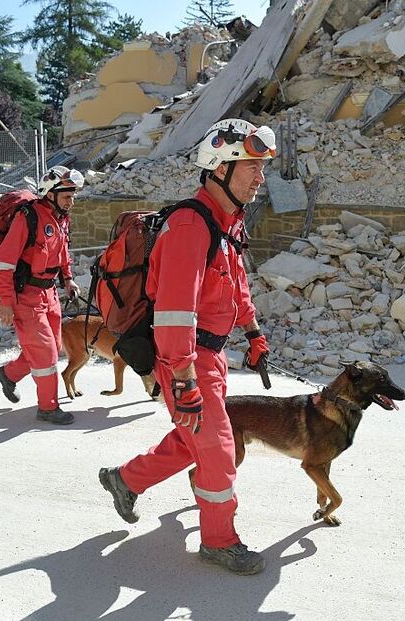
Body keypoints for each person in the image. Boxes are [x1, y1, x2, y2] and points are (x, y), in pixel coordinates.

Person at [99, 118, 275, 575]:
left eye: (261, 169)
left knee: (191, 438)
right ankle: (219, 540)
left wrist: (253, 333)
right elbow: (174, 314)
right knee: (216, 447)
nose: (260, 178)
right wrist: (183, 379)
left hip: (210, 356)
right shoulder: (190, 227)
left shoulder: (226, 223)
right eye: (251, 168)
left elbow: (235, 287)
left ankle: (124, 479)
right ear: (219, 169)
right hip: (185, 357)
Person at [0, 166, 83, 425]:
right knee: (45, 355)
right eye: (67, 196)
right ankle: (48, 408)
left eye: (73, 196)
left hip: (49, 293)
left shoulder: (60, 218)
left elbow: (62, 250)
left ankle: (7, 374)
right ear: (50, 194)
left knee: (52, 348)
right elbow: (2, 263)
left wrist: (68, 278)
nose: (71, 201)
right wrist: (5, 302)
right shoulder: (28, 218)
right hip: (26, 297)